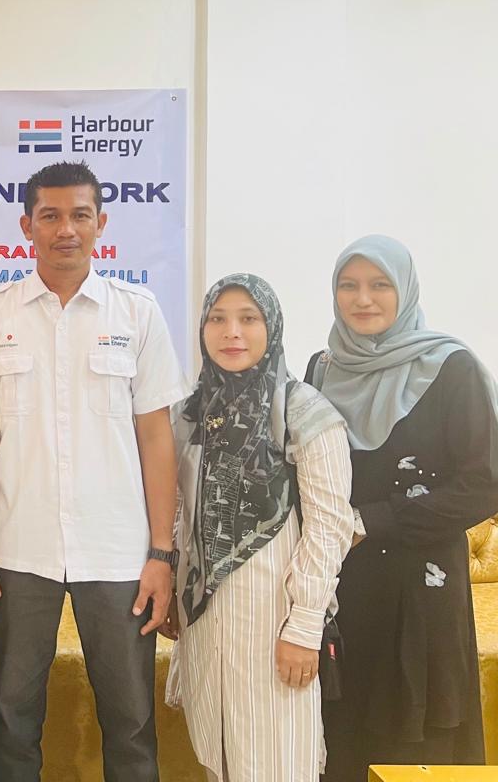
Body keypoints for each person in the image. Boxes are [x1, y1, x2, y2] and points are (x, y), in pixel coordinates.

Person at [0, 160, 185, 782]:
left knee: (132, 721)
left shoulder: (136, 312)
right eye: (51, 216)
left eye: (80, 215)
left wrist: (162, 552)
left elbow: (157, 439)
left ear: (101, 223)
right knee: (12, 719)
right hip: (18, 547)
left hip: (118, 551)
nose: (66, 229)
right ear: (26, 226)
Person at [310, 235, 498, 780]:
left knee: (413, 743)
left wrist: (374, 520)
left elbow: (484, 484)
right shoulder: (321, 369)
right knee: (340, 740)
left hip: (420, 591)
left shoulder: (451, 368)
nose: (362, 299)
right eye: (349, 285)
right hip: (340, 590)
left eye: (379, 285)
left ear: (405, 290)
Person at [163, 274, 353, 782]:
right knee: (221, 759)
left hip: (274, 624)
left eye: (249, 319)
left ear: (272, 327)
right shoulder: (190, 414)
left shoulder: (305, 412)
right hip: (205, 629)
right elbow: (182, 513)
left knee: (278, 761)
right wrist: (179, 590)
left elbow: (329, 527)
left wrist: (304, 626)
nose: (232, 332)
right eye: (218, 319)